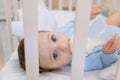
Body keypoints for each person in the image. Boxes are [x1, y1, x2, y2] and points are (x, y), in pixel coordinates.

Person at [18, 5, 120, 72]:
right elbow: (102, 61)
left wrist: (86, 15)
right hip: (114, 42)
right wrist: (108, 53)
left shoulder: (62, 31)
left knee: (115, 18)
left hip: (107, 27)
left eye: (53, 38)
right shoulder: (80, 64)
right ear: (57, 68)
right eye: (55, 55)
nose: (63, 46)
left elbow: (76, 23)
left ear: (52, 32)